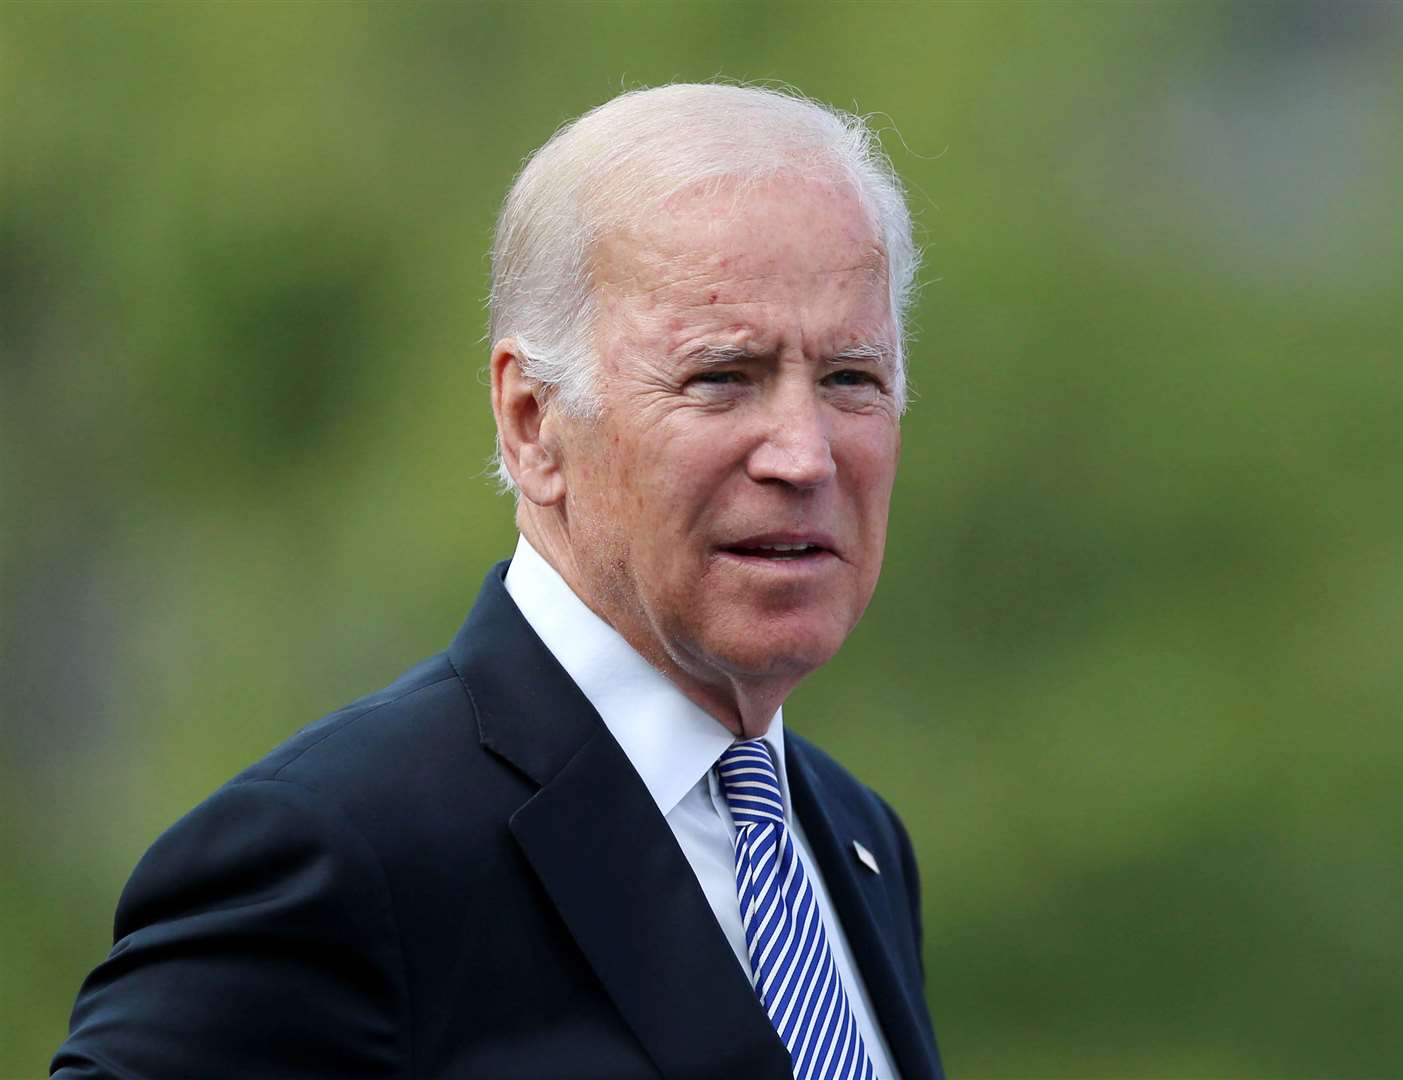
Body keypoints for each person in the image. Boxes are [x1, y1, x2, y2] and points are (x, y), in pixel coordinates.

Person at [52, 83, 942, 1080]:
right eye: (720, 377)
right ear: (531, 423)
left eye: (850, 380)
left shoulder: (852, 840)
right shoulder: (340, 853)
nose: (803, 455)